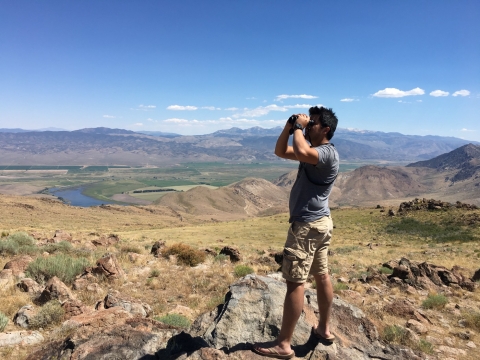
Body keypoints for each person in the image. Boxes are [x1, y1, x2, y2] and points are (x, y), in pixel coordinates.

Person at [253, 106, 339, 359]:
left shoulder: (324, 154)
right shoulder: (314, 154)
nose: (308, 125)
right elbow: (281, 151)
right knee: (321, 275)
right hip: (319, 224)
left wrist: (299, 129)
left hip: (307, 227)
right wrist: (289, 127)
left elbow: (300, 149)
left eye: (313, 123)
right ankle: (324, 328)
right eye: (308, 122)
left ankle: (284, 344)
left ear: (326, 129)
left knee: (295, 282)